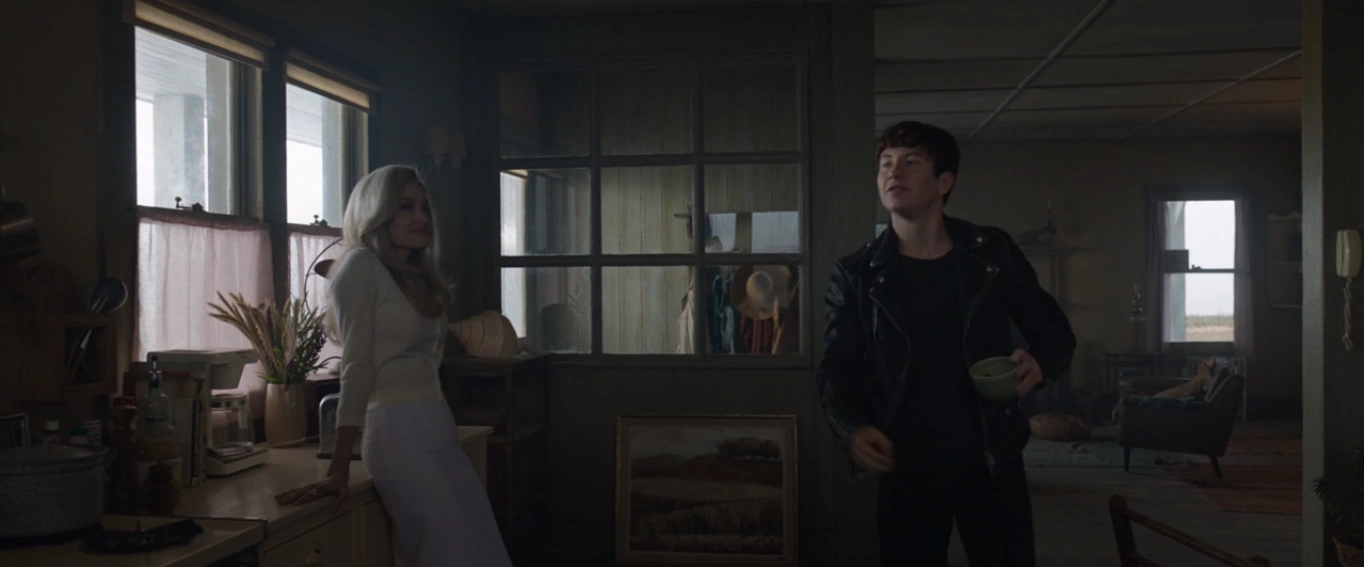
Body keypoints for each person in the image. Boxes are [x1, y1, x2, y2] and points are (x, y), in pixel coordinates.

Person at [815, 121, 1075, 566]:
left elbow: (1053, 329)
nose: (893, 172)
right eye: (885, 163)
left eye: (911, 162)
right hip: (905, 463)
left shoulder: (990, 252)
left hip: (990, 456)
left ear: (944, 181)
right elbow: (837, 366)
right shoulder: (857, 273)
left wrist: (1040, 362)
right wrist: (852, 427)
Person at [275, 164, 512, 567]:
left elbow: (427, 363)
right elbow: (356, 367)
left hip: (436, 423)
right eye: (405, 207)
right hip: (397, 431)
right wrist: (338, 468)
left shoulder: (415, 275)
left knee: (479, 549)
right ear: (376, 212)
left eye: (424, 207)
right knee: (447, 552)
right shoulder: (359, 266)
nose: (421, 217)